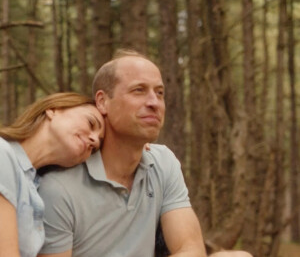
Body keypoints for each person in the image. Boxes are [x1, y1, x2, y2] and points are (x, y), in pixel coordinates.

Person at [38, 49, 252, 257]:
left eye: (159, 93)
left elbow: (191, 250)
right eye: (138, 90)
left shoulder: (163, 162)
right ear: (103, 101)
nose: (154, 103)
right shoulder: (59, 186)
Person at [0, 92, 104, 257]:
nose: (95, 140)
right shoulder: (3, 154)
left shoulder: (38, 188)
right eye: (91, 123)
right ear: (53, 109)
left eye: (97, 146)